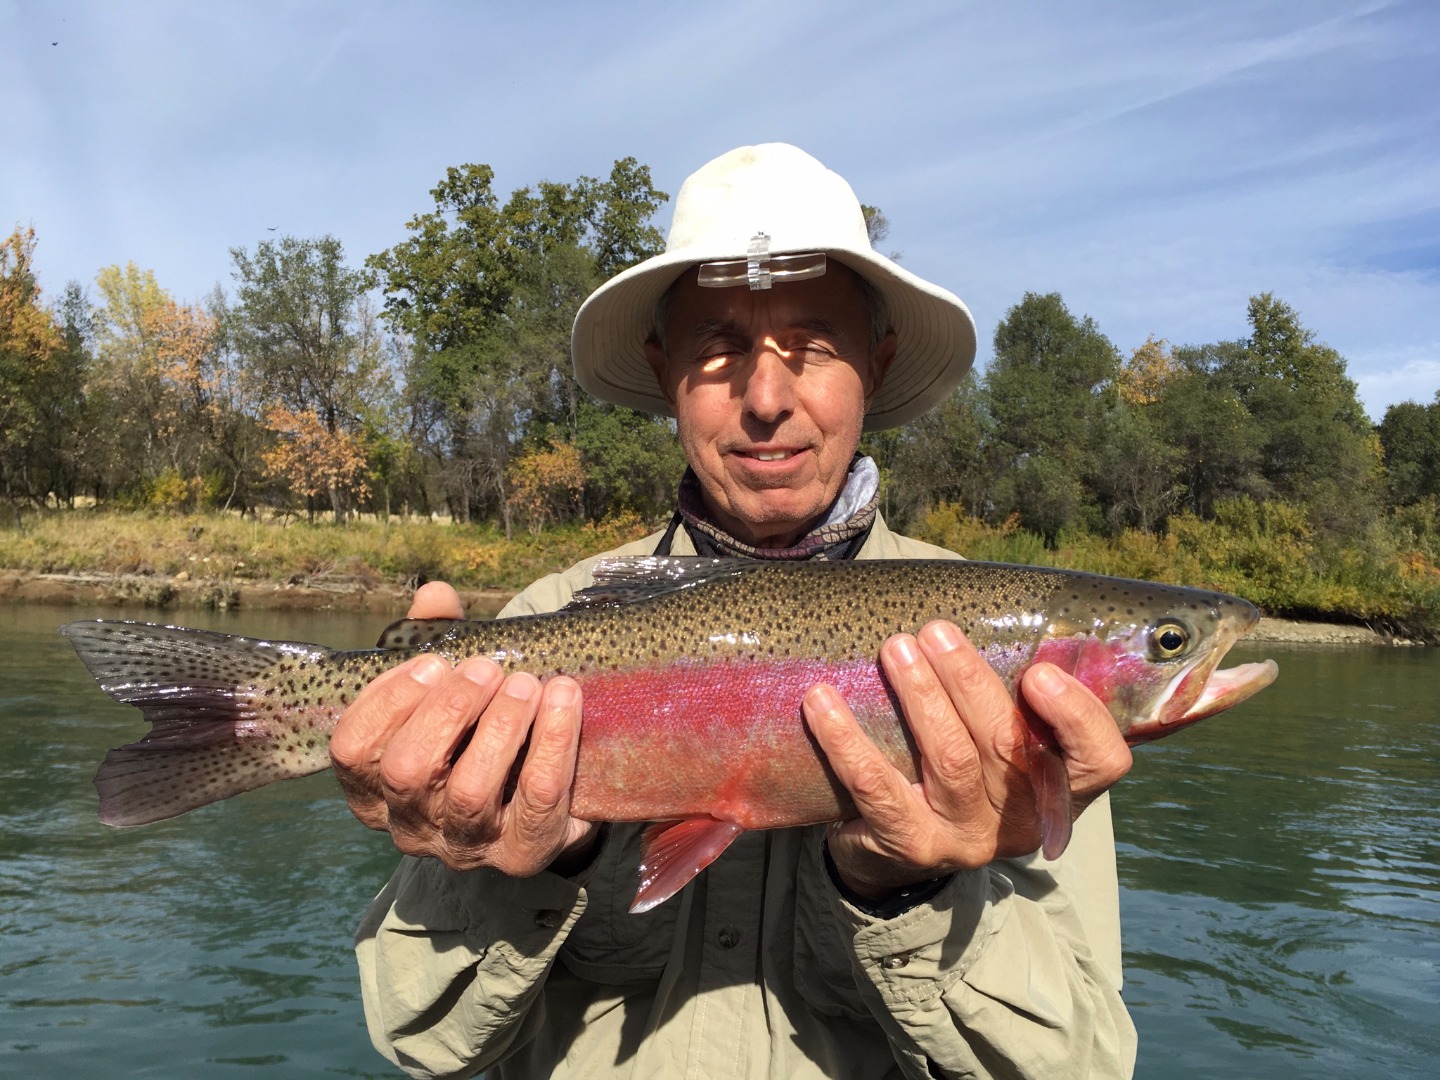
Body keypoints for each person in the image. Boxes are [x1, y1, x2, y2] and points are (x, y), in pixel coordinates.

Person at [332, 144, 1138, 1079]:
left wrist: (906, 886)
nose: (765, 398)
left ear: (874, 368)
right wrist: (534, 866)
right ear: (661, 366)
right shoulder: (546, 621)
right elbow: (417, 1039)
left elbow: (1081, 1065)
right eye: (718, 346)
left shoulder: (994, 654)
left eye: (815, 347)